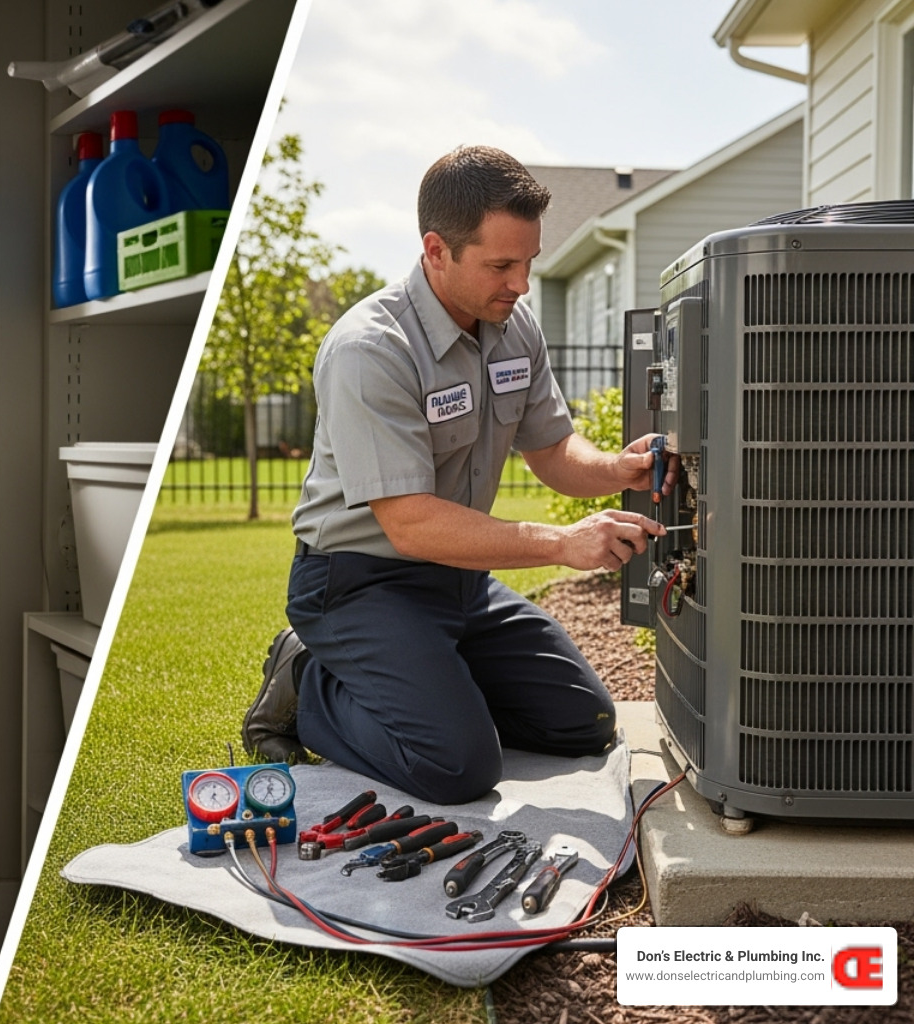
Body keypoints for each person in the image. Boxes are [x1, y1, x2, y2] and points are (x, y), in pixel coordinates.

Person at [241, 146, 677, 806]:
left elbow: (555, 450)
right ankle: (308, 681)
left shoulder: (512, 327)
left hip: (459, 579)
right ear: (436, 251)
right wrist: (561, 544)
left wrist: (618, 467)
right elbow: (411, 524)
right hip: (359, 582)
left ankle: (432, 684)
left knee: (583, 724)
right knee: (456, 766)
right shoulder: (371, 350)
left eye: (528, 262)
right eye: (501, 265)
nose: (521, 283)